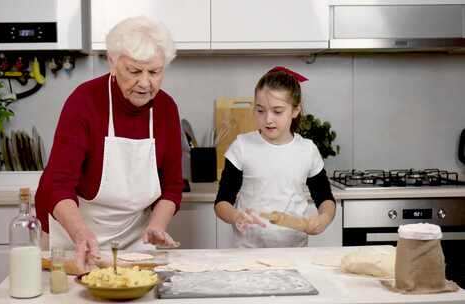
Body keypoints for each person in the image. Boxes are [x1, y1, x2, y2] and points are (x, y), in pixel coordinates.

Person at [35, 16, 183, 272]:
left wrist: (156, 226)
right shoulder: (84, 101)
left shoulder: (166, 109)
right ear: (113, 63)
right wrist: (81, 234)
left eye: (155, 72)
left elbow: (172, 186)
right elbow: (56, 185)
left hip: (135, 243)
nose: (146, 83)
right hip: (74, 238)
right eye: (135, 71)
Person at [214, 66, 336, 248]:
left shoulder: (307, 150)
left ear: (295, 111)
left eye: (277, 111)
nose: (268, 119)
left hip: (294, 252)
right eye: (260, 110)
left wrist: (323, 219)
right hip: (248, 252)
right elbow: (222, 202)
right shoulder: (242, 146)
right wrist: (236, 216)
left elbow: (325, 198)